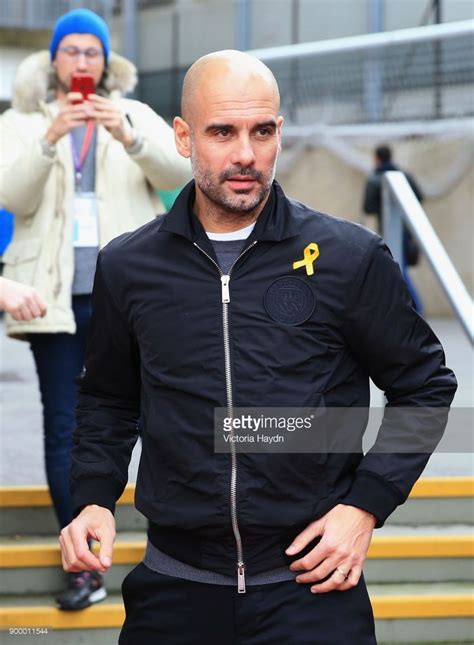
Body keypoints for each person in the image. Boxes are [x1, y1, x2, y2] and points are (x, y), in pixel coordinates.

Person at [60, 51, 456, 643]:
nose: (246, 154)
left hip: (314, 591)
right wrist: (93, 498)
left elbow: (425, 386)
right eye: (223, 132)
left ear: (278, 134)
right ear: (184, 137)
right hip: (174, 591)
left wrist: (365, 506)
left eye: (262, 131)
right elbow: (109, 400)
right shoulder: (129, 266)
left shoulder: (350, 258)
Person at [0, 8, 190, 610]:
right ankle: (82, 563)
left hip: (129, 296)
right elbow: (10, 193)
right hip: (52, 297)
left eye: (93, 51)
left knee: (157, 413)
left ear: (106, 61)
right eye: (72, 50)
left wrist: (129, 135)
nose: (83, 61)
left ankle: (177, 546)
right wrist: (50, 137)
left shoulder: (132, 113)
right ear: (54, 59)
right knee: (66, 424)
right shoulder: (23, 120)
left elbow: (182, 173)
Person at [363, 144, 424, 314]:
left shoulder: (375, 179)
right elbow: (419, 197)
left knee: (397, 271)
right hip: (407, 230)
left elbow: (368, 207)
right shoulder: (405, 176)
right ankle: (413, 309)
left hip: (388, 230)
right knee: (398, 269)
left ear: (377, 158)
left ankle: (415, 310)